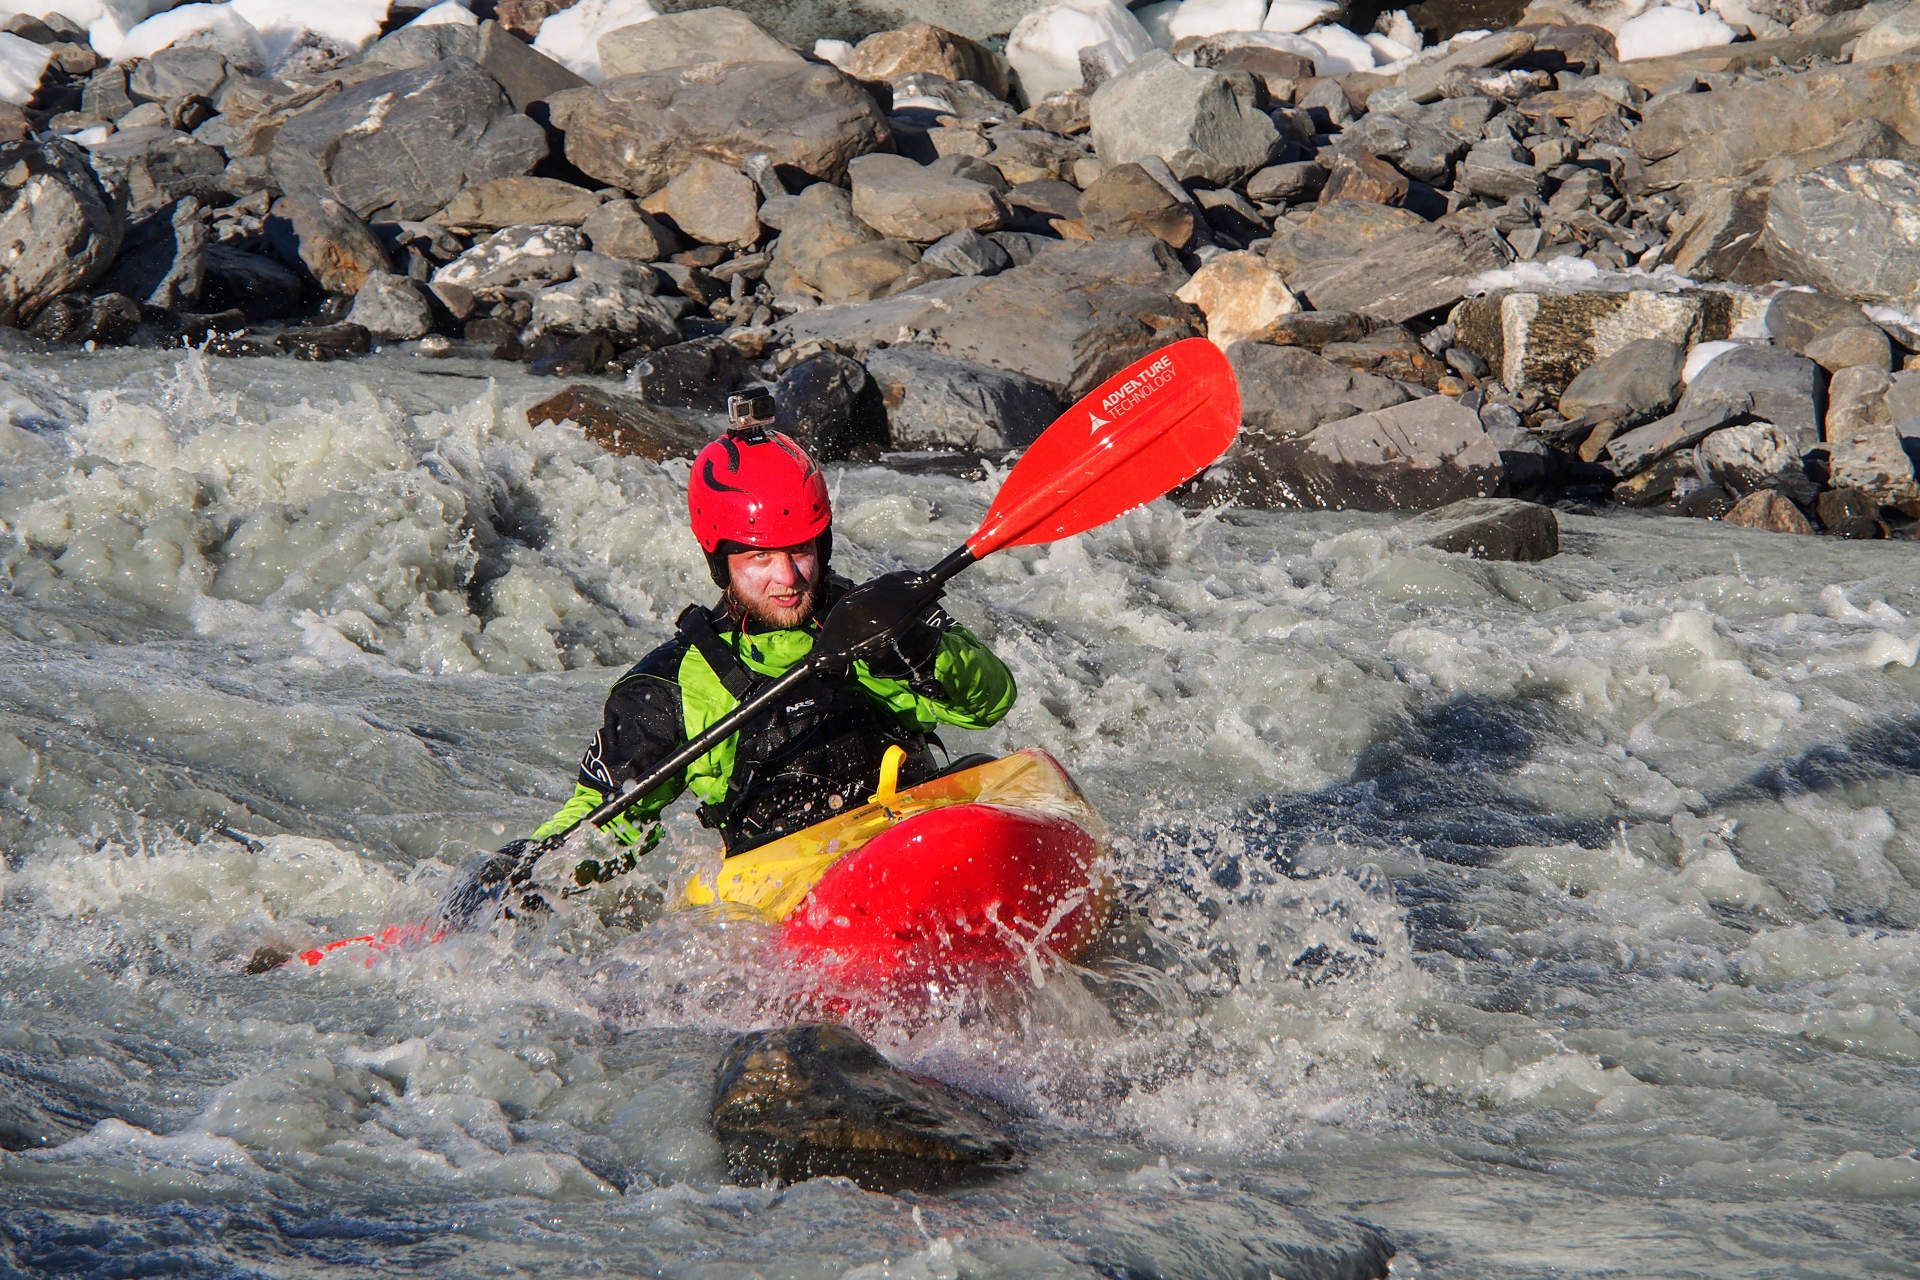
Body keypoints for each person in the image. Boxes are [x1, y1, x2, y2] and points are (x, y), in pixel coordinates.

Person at [530, 386, 1018, 887]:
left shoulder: (878, 617)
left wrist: (917, 645)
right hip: (787, 889)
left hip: (913, 844)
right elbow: (603, 817)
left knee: (983, 768)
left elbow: (991, 704)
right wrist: (534, 867)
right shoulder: (667, 686)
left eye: (800, 551)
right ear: (720, 561)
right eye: (760, 558)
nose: (787, 578)